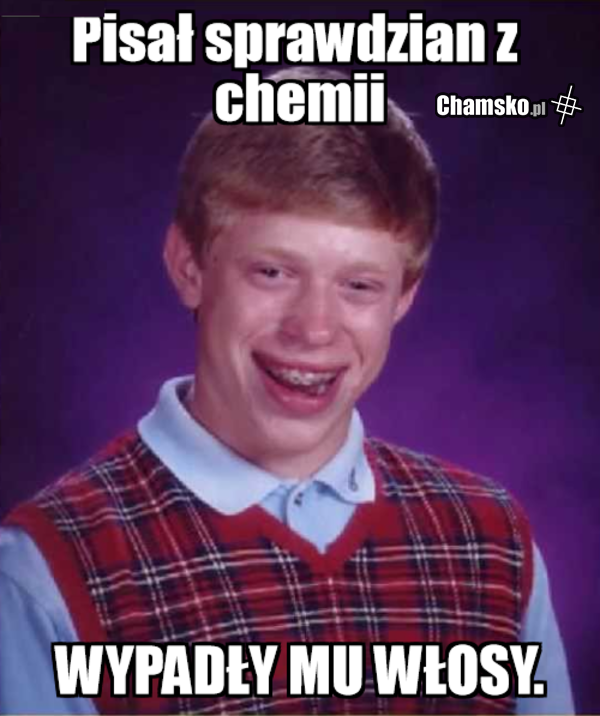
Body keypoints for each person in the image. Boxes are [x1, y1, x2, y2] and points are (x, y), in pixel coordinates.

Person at [0, 68, 573, 714]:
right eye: (272, 272)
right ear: (189, 266)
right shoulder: (48, 571)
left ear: (404, 297)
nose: (314, 328)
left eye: (359, 285)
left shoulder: (492, 545)